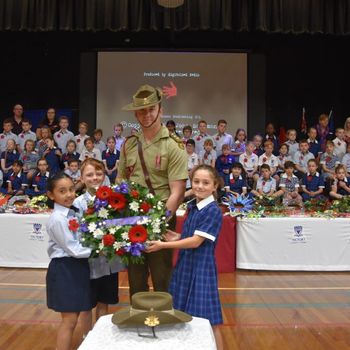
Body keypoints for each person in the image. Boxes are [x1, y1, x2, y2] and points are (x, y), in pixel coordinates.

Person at [118, 84, 188, 297]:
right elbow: (121, 178)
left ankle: (165, 323)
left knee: (162, 277)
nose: (146, 115)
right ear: (135, 114)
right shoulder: (129, 145)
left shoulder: (173, 145)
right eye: (141, 111)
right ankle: (138, 322)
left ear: (160, 110)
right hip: (133, 218)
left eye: (151, 109)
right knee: (135, 277)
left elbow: (177, 191)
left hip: (162, 218)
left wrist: (158, 223)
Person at [147, 165, 224, 350]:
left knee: (209, 321)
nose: (199, 186)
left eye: (206, 183)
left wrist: (164, 245)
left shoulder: (213, 210)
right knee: (183, 316)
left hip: (201, 269)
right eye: (196, 181)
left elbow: (196, 242)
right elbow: (191, 236)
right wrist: (177, 236)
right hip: (185, 266)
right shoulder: (193, 206)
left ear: (215, 186)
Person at [74, 158, 124, 324]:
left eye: (98, 173)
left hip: (109, 261)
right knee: (86, 305)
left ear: (104, 176)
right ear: (81, 178)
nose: (94, 177)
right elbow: (76, 235)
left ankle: (99, 339)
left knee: (104, 301)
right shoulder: (78, 204)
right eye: (89, 175)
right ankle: (86, 339)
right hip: (87, 262)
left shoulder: (114, 199)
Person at [46, 173, 92, 350]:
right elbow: (74, 249)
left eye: (72, 189)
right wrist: (99, 249)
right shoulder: (58, 219)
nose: (69, 195)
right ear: (51, 195)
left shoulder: (72, 213)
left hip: (77, 267)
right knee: (70, 320)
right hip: (65, 268)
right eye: (62, 191)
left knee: (77, 315)